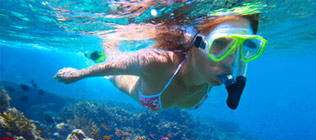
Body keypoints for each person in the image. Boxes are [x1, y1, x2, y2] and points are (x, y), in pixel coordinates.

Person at [54, 14, 267, 111]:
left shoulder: (211, 72)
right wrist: (79, 74)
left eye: (243, 46)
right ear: (196, 41)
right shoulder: (155, 63)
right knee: (112, 55)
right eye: (220, 43)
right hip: (125, 78)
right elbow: (113, 68)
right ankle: (103, 48)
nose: (231, 60)